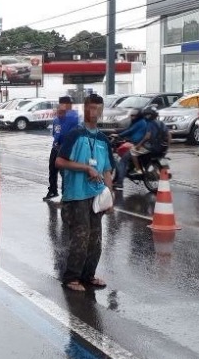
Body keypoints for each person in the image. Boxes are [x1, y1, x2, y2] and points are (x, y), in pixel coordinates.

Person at [55, 94, 114, 292]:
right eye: (91, 108)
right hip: (76, 195)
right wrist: (85, 168)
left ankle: (88, 275)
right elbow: (60, 161)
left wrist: (109, 196)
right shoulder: (75, 134)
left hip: (96, 196)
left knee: (95, 239)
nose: (94, 113)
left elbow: (106, 170)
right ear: (85, 109)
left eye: (98, 109)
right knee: (80, 237)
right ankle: (71, 277)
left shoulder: (103, 139)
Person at [45, 96, 80, 201]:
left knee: (64, 172)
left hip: (66, 148)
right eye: (61, 104)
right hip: (55, 147)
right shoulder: (57, 119)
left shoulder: (74, 117)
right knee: (52, 169)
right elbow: (55, 133)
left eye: (65, 104)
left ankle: (66, 194)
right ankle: (53, 190)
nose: (62, 107)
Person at [113, 109, 151, 187]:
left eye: (134, 116)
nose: (132, 117)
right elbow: (129, 130)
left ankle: (119, 183)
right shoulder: (143, 122)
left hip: (140, 145)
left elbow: (130, 131)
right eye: (131, 115)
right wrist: (117, 131)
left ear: (138, 116)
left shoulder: (139, 123)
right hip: (144, 145)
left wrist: (118, 135)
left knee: (123, 161)